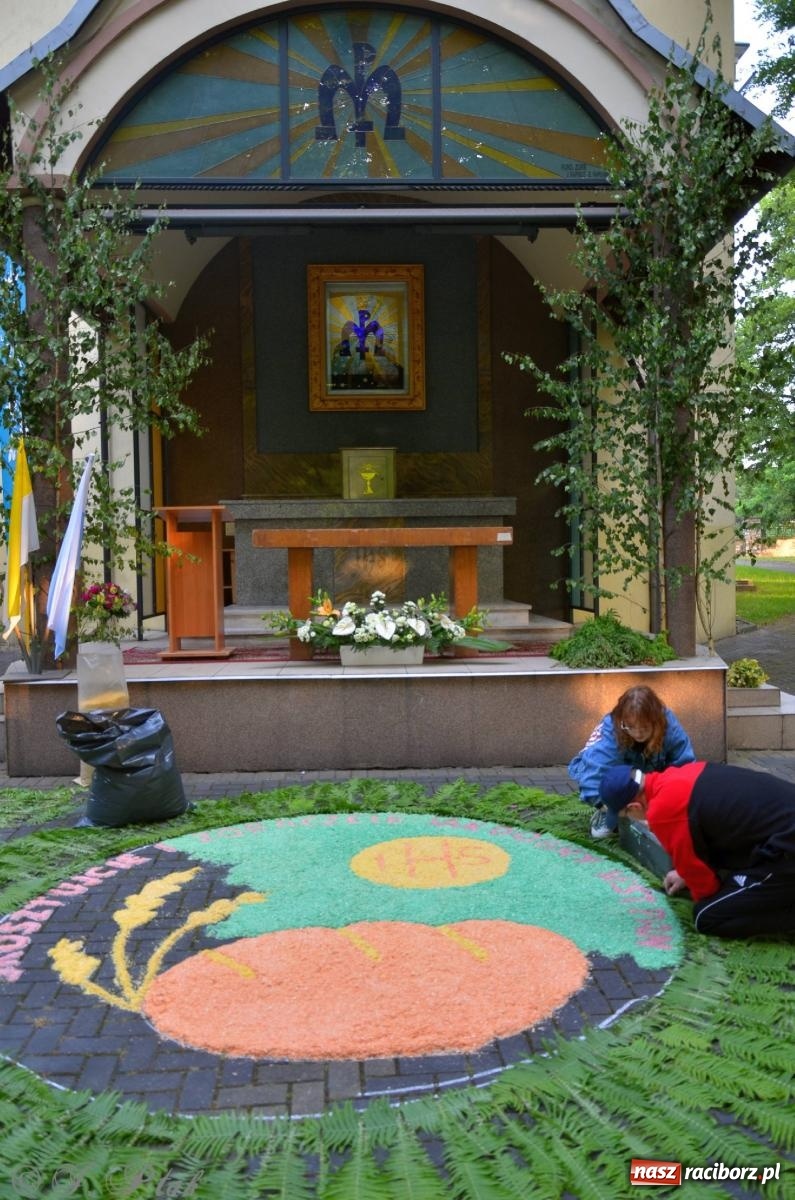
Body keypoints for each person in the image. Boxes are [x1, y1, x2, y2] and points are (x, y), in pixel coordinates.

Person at [598, 761, 795, 939]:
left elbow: (705, 886)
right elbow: (708, 827)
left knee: (706, 916)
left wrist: (697, 882)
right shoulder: (679, 774)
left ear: (634, 807)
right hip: (783, 830)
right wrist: (686, 871)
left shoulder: (662, 811)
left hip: (786, 848)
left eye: (625, 815)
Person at [568, 685, 695, 839]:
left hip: (655, 777)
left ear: (656, 721)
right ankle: (606, 814)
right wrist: (607, 805)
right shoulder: (611, 728)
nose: (638, 733)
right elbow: (594, 775)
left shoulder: (669, 725)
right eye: (631, 727)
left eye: (645, 727)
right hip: (621, 779)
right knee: (603, 832)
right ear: (622, 722)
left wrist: (672, 805)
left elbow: (686, 768)